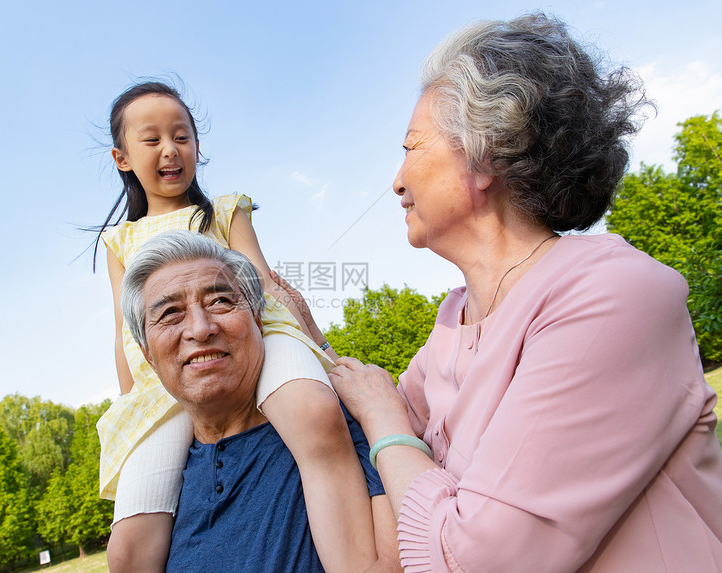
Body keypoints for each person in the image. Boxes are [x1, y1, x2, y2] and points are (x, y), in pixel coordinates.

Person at [277, 13, 722, 572]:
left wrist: (387, 422)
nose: (396, 179)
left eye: (412, 147)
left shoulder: (612, 294)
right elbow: (364, 401)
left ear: (485, 152)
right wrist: (300, 329)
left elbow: (477, 559)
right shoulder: (453, 322)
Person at [92, 80, 376, 572]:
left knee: (313, 413)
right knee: (129, 547)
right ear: (122, 158)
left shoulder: (224, 210)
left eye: (182, 136)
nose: (170, 150)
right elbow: (125, 329)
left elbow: (264, 284)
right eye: (152, 139)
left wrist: (323, 352)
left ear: (197, 146)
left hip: (257, 333)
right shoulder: (120, 242)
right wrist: (130, 399)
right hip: (165, 378)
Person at [118, 230, 400, 572]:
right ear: (147, 354)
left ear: (257, 319)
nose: (200, 328)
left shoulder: (354, 430)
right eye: (170, 313)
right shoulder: (158, 492)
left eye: (220, 301)